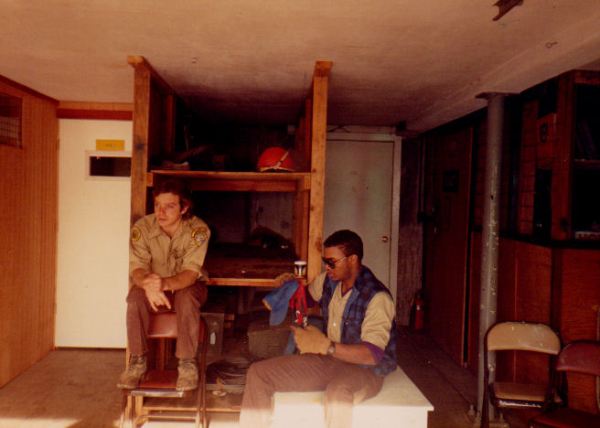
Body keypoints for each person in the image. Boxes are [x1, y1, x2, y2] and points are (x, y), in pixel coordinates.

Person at [240, 229, 397, 428]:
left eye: (332, 262)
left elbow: (372, 355)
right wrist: (290, 287)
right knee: (258, 373)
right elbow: (305, 300)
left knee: (337, 394)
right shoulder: (328, 280)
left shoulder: (377, 297)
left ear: (352, 260)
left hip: (366, 371)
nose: (326, 266)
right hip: (332, 360)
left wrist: (325, 346)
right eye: (325, 261)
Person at [117, 179, 210, 391]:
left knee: (186, 297)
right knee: (134, 298)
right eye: (157, 205)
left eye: (169, 206)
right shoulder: (142, 227)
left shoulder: (198, 229)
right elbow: (137, 269)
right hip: (152, 289)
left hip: (187, 287)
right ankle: (137, 361)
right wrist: (147, 284)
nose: (161, 212)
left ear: (184, 208)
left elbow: (190, 274)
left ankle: (187, 364)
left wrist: (160, 284)